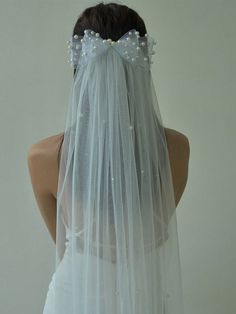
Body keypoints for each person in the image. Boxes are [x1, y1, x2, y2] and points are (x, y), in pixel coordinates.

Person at [27, 2, 190, 314]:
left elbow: (61, 241)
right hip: (147, 297)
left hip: (73, 297)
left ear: (79, 69)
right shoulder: (177, 148)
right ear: (143, 66)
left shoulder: (43, 157)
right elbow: (155, 223)